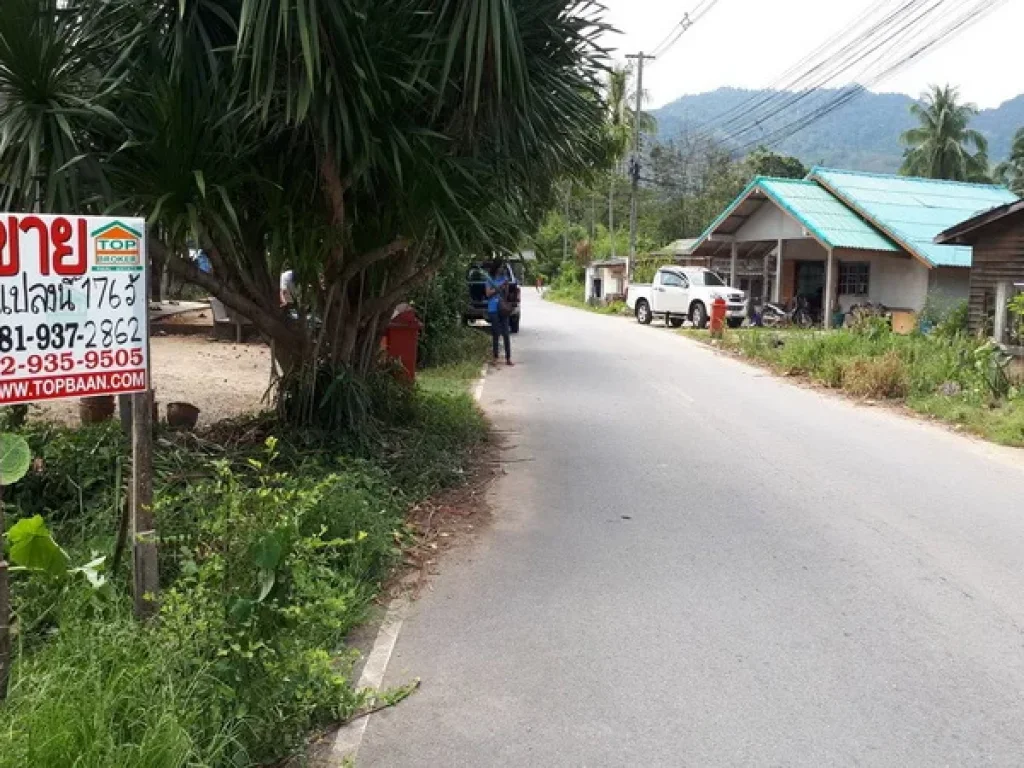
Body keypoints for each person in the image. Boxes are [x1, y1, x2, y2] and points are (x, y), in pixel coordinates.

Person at [486, 262, 513, 366]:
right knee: (496, 333)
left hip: (502, 309)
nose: (502, 269)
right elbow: (488, 294)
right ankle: (495, 357)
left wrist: (505, 287)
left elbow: (506, 295)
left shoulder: (504, 278)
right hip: (493, 308)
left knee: (506, 333)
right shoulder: (489, 279)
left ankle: (508, 358)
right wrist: (499, 287)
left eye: (503, 268)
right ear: (495, 269)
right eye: (500, 267)